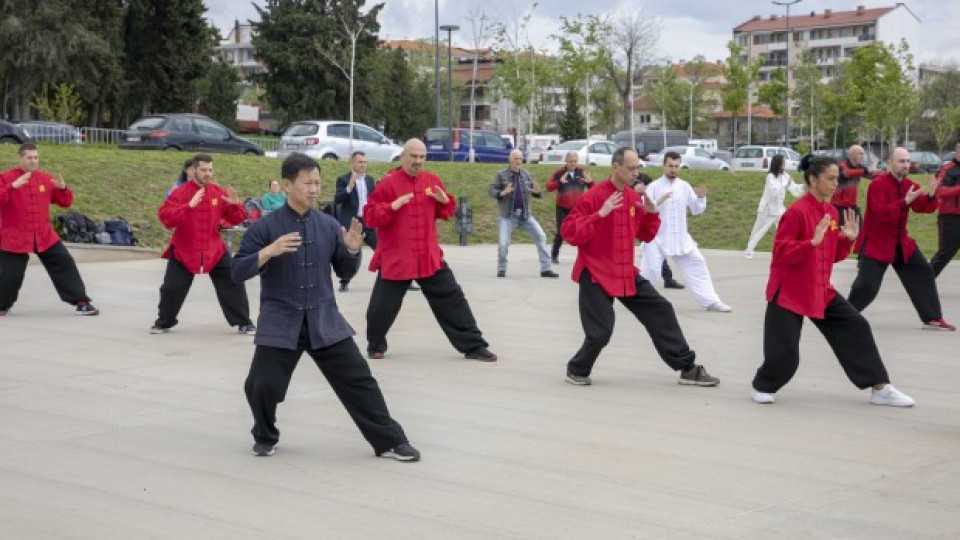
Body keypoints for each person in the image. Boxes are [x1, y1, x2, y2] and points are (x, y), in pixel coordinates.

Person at [232, 152, 419, 461]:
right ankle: (265, 435)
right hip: (281, 321)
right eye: (308, 183)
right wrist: (269, 251)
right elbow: (238, 271)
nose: (314, 189)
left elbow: (344, 271)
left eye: (317, 183)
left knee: (360, 380)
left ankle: (389, 440)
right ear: (289, 185)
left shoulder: (329, 225)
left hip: (324, 319)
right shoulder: (265, 228)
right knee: (260, 384)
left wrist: (353, 250)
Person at [751, 156, 915, 407]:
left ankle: (880, 388)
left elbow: (831, 255)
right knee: (785, 357)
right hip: (789, 292)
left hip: (820, 289)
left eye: (837, 178)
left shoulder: (830, 212)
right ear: (812, 180)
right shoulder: (796, 213)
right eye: (829, 178)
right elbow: (782, 253)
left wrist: (847, 240)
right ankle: (763, 385)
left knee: (857, 326)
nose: (835, 183)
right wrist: (810, 243)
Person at [560, 147, 719, 387]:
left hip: (624, 272)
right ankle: (577, 368)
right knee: (601, 332)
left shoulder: (634, 198)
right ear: (616, 167)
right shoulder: (593, 197)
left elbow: (645, 234)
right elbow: (569, 233)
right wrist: (600, 214)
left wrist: (653, 214)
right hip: (595, 272)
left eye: (638, 168)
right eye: (631, 168)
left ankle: (687, 368)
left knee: (661, 309)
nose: (636, 173)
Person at [363, 139, 496, 361]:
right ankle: (375, 344)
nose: (417, 161)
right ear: (403, 156)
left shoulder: (432, 181)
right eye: (413, 156)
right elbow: (370, 215)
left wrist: (444, 201)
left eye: (421, 157)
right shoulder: (387, 184)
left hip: (428, 256)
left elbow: (447, 211)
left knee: (453, 299)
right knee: (382, 307)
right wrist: (393, 206)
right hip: (398, 256)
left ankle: (474, 346)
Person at [848, 147, 954, 331]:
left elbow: (923, 208)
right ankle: (844, 316)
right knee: (867, 285)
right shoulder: (878, 185)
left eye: (907, 161)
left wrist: (930, 195)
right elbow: (881, 214)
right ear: (890, 163)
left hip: (900, 243)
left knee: (923, 272)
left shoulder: (908, 185)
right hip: (876, 243)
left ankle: (932, 318)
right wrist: (904, 201)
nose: (906, 165)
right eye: (901, 161)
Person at [151, 154, 256, 335]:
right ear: (193, 171)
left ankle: (244, 322)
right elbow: (166, 218)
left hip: (213, 249)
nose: (208, 174)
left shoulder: (218, 192)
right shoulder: (179, 193)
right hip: (185, 249)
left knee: (233, 281)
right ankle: (163, 322)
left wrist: (235, 204)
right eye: (203, 170)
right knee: (171, 288)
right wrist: (188, 206)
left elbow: (235, 219)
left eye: (210, 170)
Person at [0, 143, 99, 316]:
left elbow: (64, 202)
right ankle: (2, 305)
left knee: (64, 262)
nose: (33, 161)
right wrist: (12, 186)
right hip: (15, 236)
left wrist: (62, 189)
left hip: (43, 234)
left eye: (36, 157)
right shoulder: (6, 178)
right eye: (29, 157)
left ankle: (81, 302)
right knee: (10, 275)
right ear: (20, 158)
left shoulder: (45, 179)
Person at [639, 151, 732, 312]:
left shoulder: (684, 186)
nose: (673, 169)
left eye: (676, 166)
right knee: (651, 270)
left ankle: (710, 301)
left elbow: (696, 209)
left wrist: (701, 198)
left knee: (698, 264)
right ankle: (640, 300)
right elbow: (643, 208)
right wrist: (658, 201)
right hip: (657, 237)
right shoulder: (654, 186)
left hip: (681, 238)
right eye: (670, 166)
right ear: (664, 166)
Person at [489, 149, 559, 278]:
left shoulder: (526, 174)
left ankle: (546, 269)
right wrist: (502, 192)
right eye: (515, 159)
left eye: (520, 159)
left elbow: (535, 192)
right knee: (503, 243)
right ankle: (502, 268)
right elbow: (491, 190)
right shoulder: (501, 175)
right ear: (510, 160)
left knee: (541, 236)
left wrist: (537, 192)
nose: (518, 161)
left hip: (525, 215)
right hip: (508, 216)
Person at [744, 154, 806, 258]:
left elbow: (795, 190)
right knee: (758, 230)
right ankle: (749, 250)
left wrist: (805, 186)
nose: (784, 165)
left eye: (784, 163)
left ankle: (786, 250)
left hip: (779, 210)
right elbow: (774, 191)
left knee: (786, 230)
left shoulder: (785, 176)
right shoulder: (770, 177)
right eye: (782, 163)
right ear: (777, 164)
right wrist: (786, 183)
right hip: (767, 209)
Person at [333, 151, 378, 292]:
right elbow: (337, 199)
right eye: (360, 162)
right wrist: (349, 188)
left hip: (368, 221)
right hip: (352, 222)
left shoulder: (370, 180)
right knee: (351, 253)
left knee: (381, 248)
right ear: (352, 162)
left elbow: (375, 199)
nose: (363, 164)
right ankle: (344, 281)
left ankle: (394, 279)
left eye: (365, 162)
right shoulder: (343, 179)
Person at [636, 171, 684, 289]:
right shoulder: (629, 188)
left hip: (649, 227)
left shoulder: (644, 183)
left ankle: (667, 278)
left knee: (656, 254)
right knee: (653, 256)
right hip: (641, 226)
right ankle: (647, 282)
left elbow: (649, 205)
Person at [546, 151, 593, 264]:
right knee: (561, 232)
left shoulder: (582, 172)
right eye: (571, 161)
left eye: (575, 161)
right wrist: (559, 182)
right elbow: (548, 187)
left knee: (582, 232)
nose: (573, 164)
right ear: (566, 161)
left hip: (578, 209)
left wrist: (590, 182)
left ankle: (585, 257)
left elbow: (594, 189)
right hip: (562, 207)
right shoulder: (559, 172)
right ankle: (554, 255)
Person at [930, 142, 960, 277]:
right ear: (957, 152)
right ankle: (924, 280)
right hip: (950, 217)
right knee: (946, 252)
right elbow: (940, 191)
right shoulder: (947, 169)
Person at [832, 144, 878, 226]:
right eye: (860, 154)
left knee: (860, 230)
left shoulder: (859, 168)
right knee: (835, 231)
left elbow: (873, 176)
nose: (862, 156)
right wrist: (867, 170)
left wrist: (891, 174)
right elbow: (847, 173)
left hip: (852, 206)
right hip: (838, 207)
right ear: (852, 154)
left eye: (863, 154)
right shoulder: (842, 165)